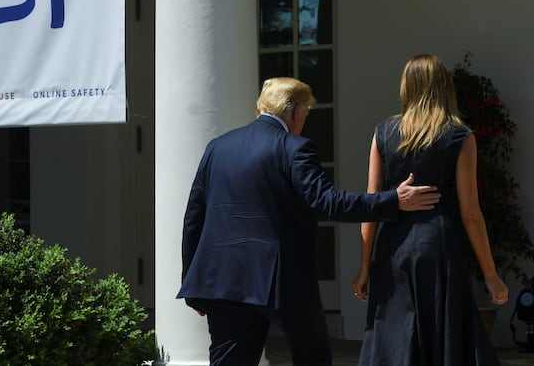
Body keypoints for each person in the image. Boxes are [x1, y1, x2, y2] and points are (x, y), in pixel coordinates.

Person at [177, 77, 442, 366]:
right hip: (281, 279)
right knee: (313, 357)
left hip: (223, 279)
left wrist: (193, 282)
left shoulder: (217, 147)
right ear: (297, 111)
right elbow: (328, 202)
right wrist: (394, 200)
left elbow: (194, 217)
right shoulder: (294, 147)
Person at [350, 54, 509, 365]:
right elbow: (470, 212)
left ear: (407, 87)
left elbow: (372, 205)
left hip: (393, 246)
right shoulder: (459, 136)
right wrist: (490, 274)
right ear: (444, 86)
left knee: (394, 334)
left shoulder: (383, 133)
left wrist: (364, 266)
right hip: (438, 245)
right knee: (442, 336)